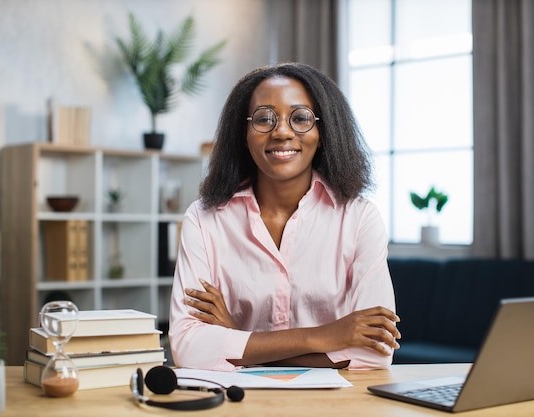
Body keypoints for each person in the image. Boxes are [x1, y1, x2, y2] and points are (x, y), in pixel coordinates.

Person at [169, 62, 400, 372]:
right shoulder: (204, 218)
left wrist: (239, 339)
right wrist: (324, 336)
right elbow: (188, 348)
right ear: (244, 133)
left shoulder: (358, 218)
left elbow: (376, 354)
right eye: (264, 118)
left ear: (324, 129)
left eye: (301, 118)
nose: (281, 132)